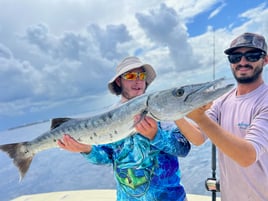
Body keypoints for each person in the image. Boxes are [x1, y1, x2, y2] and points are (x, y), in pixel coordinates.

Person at [58, 56, 191, 201]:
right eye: (130, 75)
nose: (138, 80)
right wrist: (85, 149)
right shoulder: (108, 119)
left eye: (141, 75)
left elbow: (183, 149)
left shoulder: (160, 108)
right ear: (118, 81)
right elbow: (106, 157)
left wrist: (156, 136)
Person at [175, 32, 268, 201]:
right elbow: (198, 137)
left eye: (252, 55)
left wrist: (200, 117)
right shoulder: (222, 100)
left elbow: (247, 156)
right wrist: (175, 112)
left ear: (265, 60)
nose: (243, 62)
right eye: (235, 57)